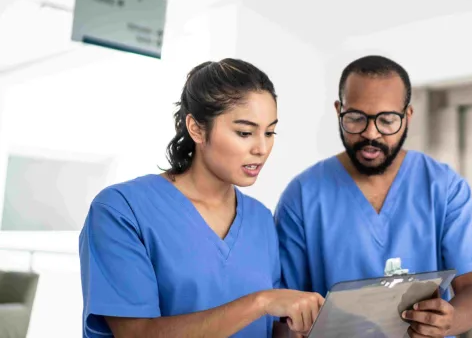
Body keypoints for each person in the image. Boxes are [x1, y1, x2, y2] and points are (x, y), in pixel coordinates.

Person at [78, 58, 323, 338]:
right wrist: (261, 302)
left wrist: (308, 327)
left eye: (270, 132)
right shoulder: (121, 210)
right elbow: (137, 334)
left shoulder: (260, 218)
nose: (262, 148)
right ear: (196, 128)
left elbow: (269, 328)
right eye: (245, 132)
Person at [274, 55, 472, 338]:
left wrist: (448, 321)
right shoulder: (303, 196)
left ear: (407, 117)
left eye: (387, 120)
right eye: (356, 118)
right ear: (338, 111)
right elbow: (281, 314)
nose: (371, 133)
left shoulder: (444, 187)